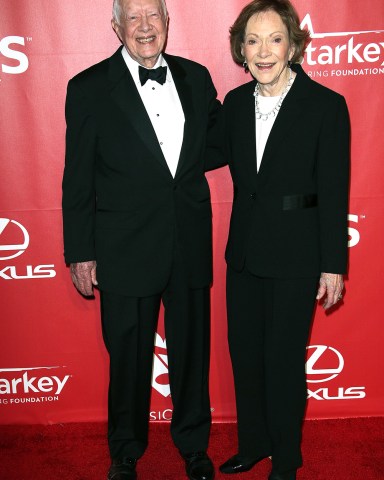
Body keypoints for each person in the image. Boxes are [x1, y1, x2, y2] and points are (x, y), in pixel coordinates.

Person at [62, 1, 220, 479]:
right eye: (134, 17)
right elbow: (77, 177)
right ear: (116, 27)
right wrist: (80, 250)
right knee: (128, 354)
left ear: (168, 22)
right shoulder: (88, 88)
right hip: (123, 245)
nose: (145, 26)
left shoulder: (197, 77)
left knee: (192, 350)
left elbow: (216, 145)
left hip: (188, 238)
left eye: (153, 15)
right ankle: (125, 451)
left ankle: (194, 445)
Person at [207, 1, 350, 479]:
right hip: (244, 254)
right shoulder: (232, 105)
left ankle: (286, 457)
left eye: (273, 39)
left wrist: (333, 263)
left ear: (292, 44)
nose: (263, 51)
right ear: (241, 50)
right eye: (252, 40)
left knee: (284, 362)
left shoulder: (326, 106)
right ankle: (254, 444)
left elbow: (332, 190)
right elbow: (198, 155)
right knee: (245, 356)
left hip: (296, 256)